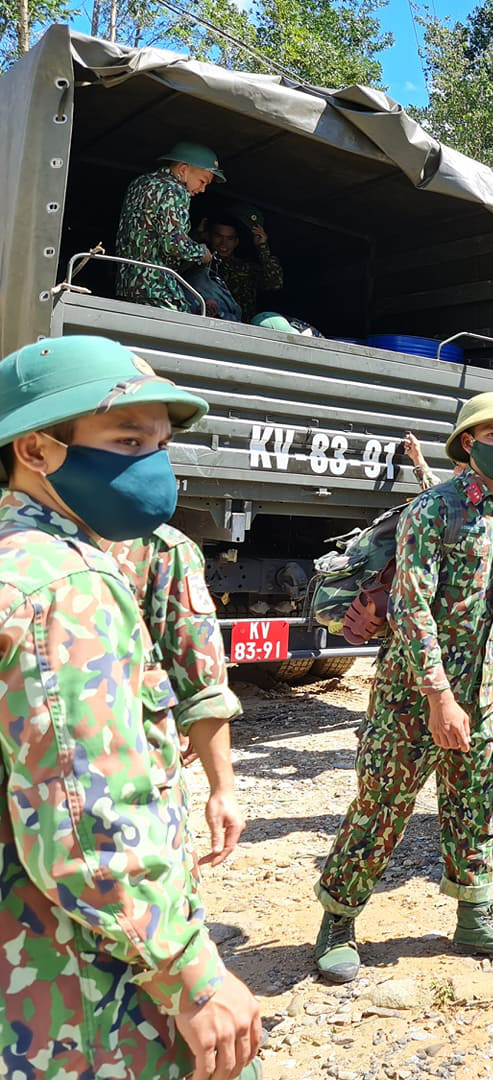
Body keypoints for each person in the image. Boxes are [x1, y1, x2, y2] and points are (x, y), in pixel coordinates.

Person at [0, 335, 262, 1079]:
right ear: (37, 450)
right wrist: (191, 974)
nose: (152, 463)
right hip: (81, 981)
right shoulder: (64, 585)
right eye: (126, 440)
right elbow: (88, 822)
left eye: (160, 442)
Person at [313, 392, 493, 983]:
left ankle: (476, 917)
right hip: (413, 698)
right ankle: (337, 923)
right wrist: (438, 698)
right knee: (382, 807)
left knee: (474, 807)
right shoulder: (434, 509)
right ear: (469, 445)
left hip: (481, 695)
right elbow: (412, 605)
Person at [104, 527, 248, 865]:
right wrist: (222, 789)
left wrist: (222, 788)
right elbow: (200, 679)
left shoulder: (157, 547)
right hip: (133, 804)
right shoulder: (152, 543)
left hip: (131, 792)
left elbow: (201, 686)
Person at [115, 142, 222, 312]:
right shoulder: (175, 190)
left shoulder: (140, 183)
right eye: (202, 181)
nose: (202, 189)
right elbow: (173, 243)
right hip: (157, 287)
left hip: (127, 283)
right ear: (183, 170)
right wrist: (202, 253)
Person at [207, 211, 284, 322]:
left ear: (236, 242)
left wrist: (262, 247)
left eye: (230, 238)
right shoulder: (198, 263)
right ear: (209, 236)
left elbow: (275, 282)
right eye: (218, 236)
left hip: (239, 329)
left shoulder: (246, 268)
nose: (223, 243)